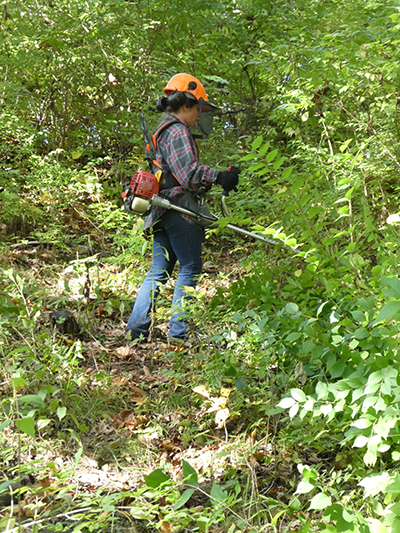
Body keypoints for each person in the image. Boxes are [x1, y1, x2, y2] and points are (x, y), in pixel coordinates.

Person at [126, 73, 240, 342]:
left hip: (161, 211)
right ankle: (178, 334)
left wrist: (213, 179)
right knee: (190, 266)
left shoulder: (163, 131)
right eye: (198, 109)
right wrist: (219, 176)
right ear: (186, 104)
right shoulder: (177, 131)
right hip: (176, 210)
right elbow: (188, 173)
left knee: (159, 272)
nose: (199, 116)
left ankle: (136, 330)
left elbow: (176, 174)